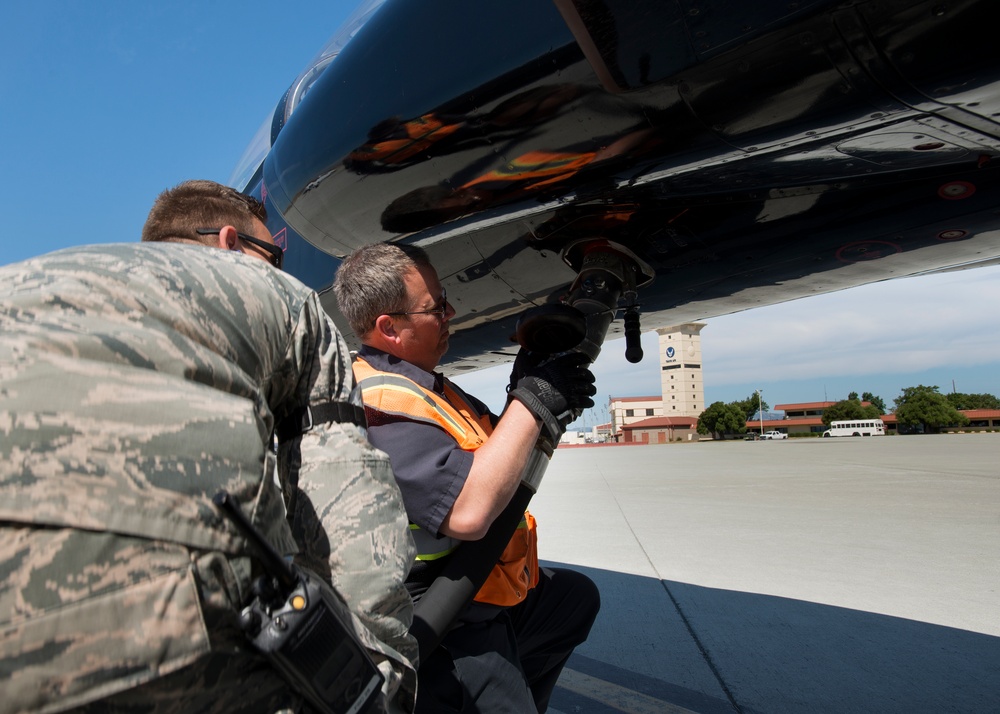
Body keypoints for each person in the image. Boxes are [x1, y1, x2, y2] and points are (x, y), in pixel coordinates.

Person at [0, 180, 417, 713]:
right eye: (275, 255)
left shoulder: (33, 282)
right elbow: (356, 529)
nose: (282, 272)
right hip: (163, 629)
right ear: (230, 244)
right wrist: (378, 683)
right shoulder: (273, 296)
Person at [332, 243, 601, 713]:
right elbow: (469, 511)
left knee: (573, 602)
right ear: (389, 328)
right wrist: (532, 400)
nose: (450, 311)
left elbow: (493, 452)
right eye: (434, 306)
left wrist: (528, 388)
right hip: (437, 612)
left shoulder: (427, 385)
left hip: (480, 585)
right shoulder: (377, 404)